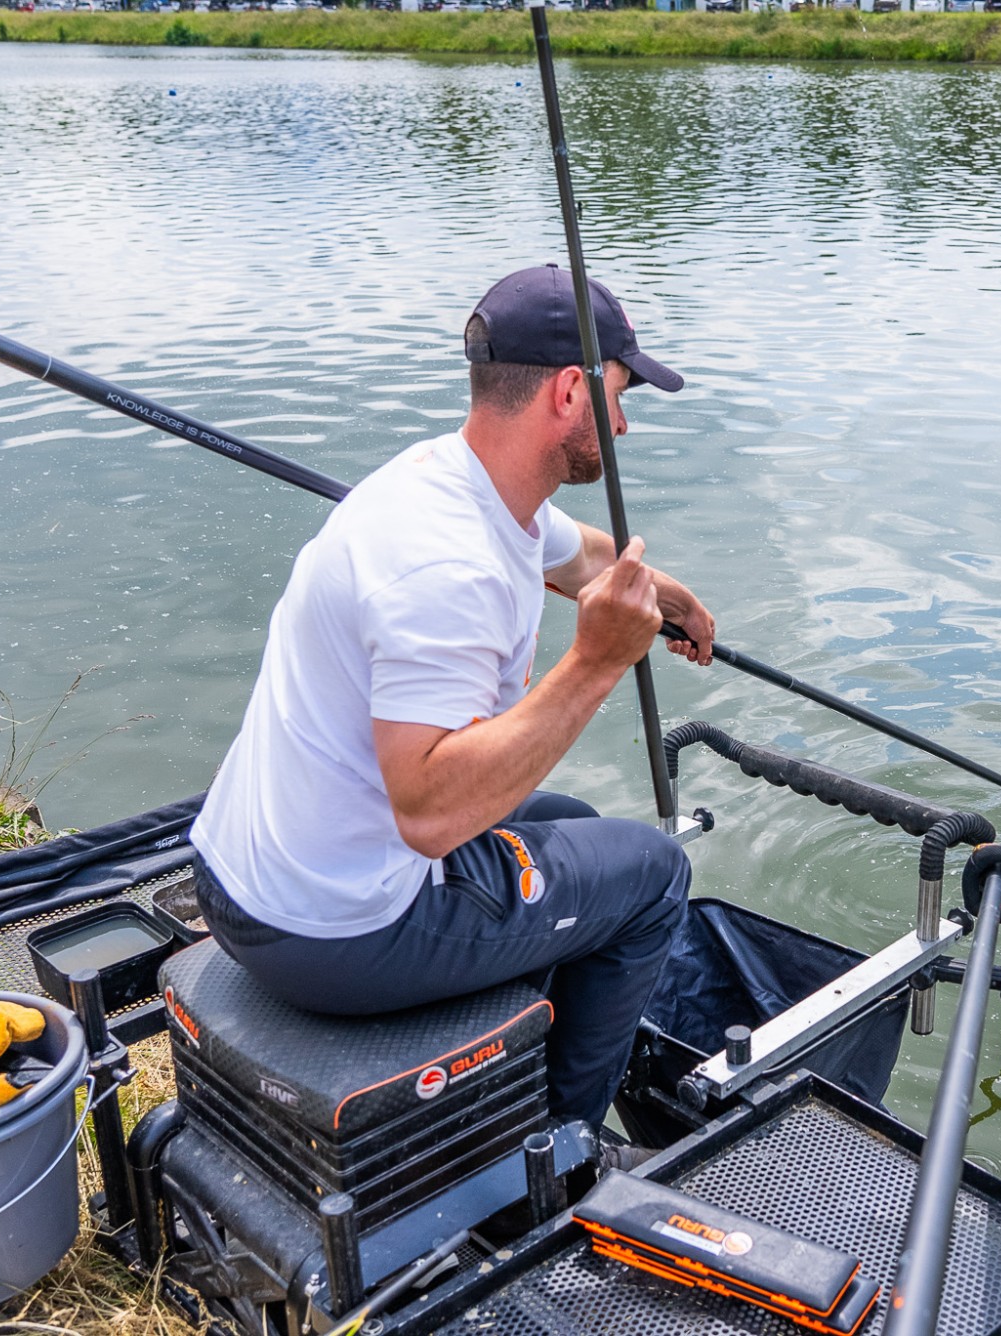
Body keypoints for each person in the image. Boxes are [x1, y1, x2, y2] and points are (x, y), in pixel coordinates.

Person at [187, 264, 715, 1130]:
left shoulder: (452, 479)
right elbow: (430, 815)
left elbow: (574, 553)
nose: (622, 424)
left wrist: (665, 595)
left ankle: (505, 1065)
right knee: (655, 876)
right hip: (327, 933)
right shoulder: (446, 569)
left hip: (250, 874)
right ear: (569, 392)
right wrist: (595, 661)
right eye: (619, 398)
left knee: (576, 819)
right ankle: (563, 1153)